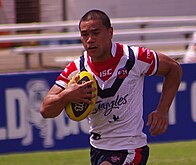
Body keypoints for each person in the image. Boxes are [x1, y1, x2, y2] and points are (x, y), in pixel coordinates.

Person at [40, 9, 182, 165]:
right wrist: (65, 96)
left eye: (95, 33)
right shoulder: (77, 69)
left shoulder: (133, 58)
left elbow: (173, 68)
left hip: (130, 147)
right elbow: (45, 110)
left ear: (110, 33)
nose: (90, 40)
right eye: (85, 35)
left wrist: (162, 110)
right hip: (98, 148)